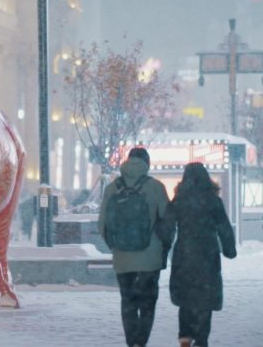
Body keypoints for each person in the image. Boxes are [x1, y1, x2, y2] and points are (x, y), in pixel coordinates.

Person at [98, 147, 170, 347]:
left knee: (128, 303)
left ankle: (132, 343)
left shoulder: (112, 188)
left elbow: (102, 225)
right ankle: (141, 342)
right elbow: (167, 221)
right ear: (147, 163)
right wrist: (162, 248)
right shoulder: (156, 187)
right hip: (150, 258)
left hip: (122, 258)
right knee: (147, 304)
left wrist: (115, 246)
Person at [160, 162, 237, 347]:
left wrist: (163, 251)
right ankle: (202, 340)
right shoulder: (213, 201)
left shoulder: (178, 200)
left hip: (184, 254)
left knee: (186, 300)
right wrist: (229, 249)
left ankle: (185, 338)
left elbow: (167, 229)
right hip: (207, 254)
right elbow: (224, 228)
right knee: (204, 300)